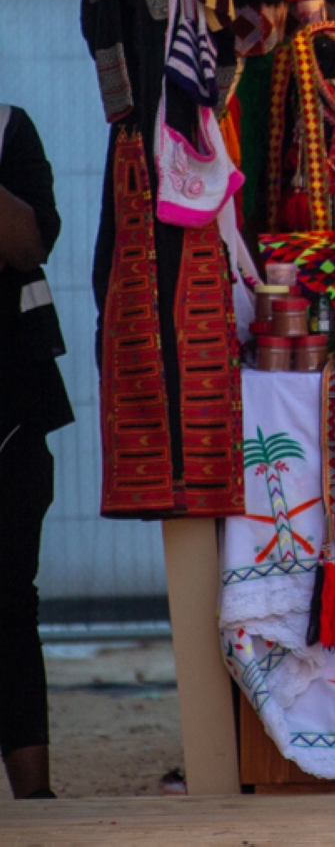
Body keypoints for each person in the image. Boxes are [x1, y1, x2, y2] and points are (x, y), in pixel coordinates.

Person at [0, 104, 72, 800]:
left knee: (9, 602)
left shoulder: (8, 130)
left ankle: (35, 797)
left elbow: (27, 243)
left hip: (10, 413)